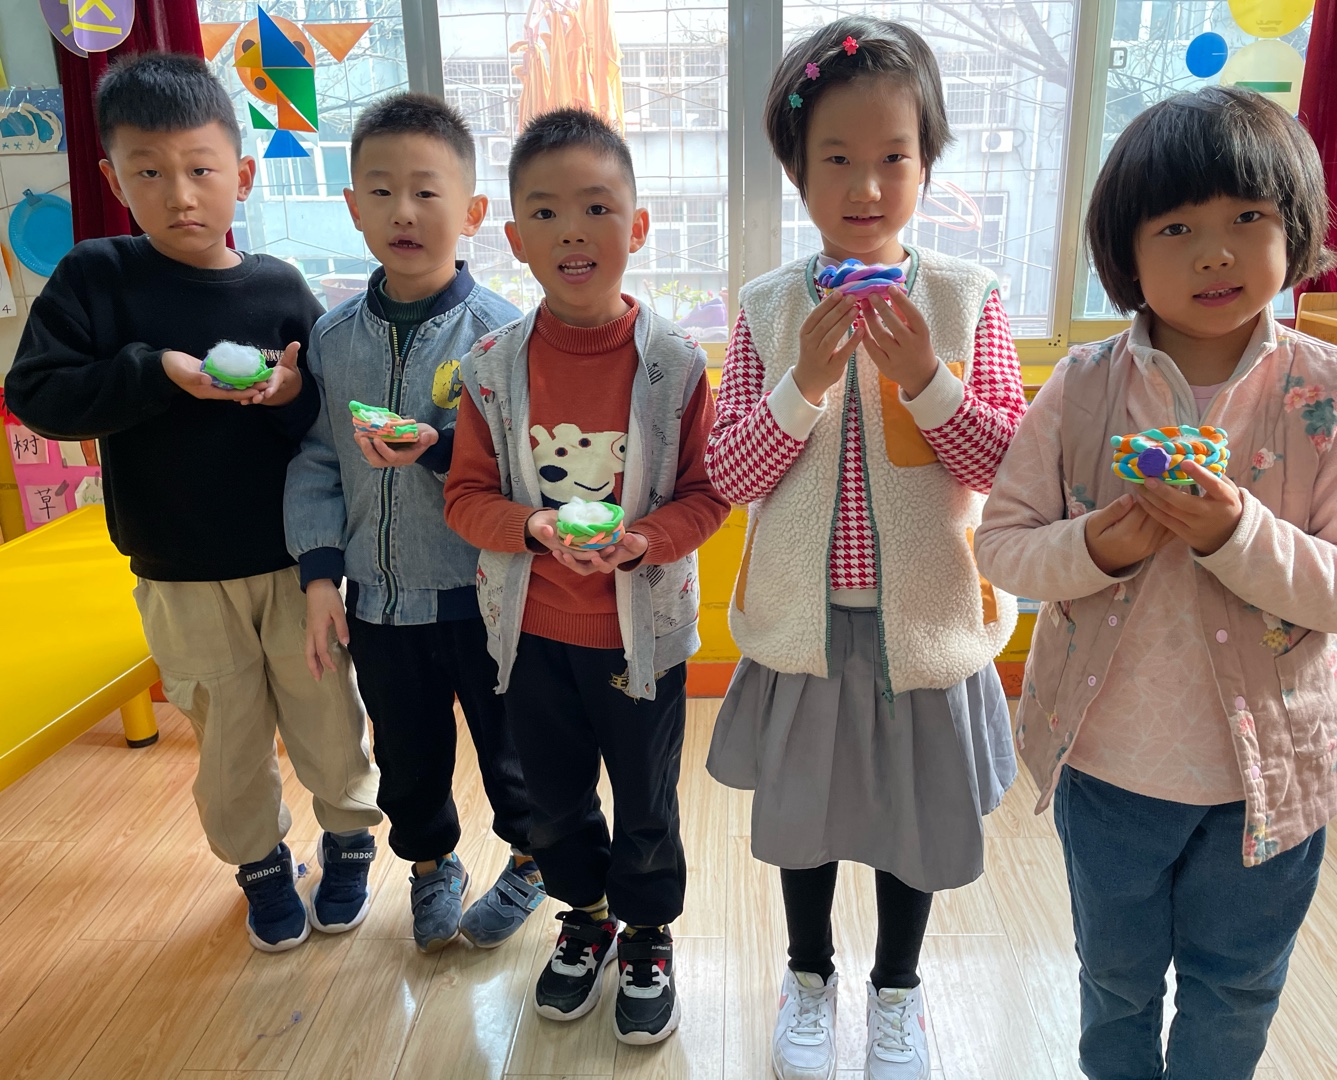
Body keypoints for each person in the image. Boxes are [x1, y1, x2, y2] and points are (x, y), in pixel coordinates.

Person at [974, 86, 1337, 1080]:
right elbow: (1002, 548)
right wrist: (1098, 547)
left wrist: (1237, 535)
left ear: (1294, 232)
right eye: (1177, 227)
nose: (1216, 253)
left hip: (1278, 775)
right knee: (1115, 982)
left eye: (1248, 217)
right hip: (1109, 768)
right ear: (1127, 254)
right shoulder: (1084, 387)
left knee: (1237, 988)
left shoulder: (1325, 388)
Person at [702, 17, 1028, 1080]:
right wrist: (801, 379)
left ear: (927, 163)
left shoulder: (966, 299)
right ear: (797, 170)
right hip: (804, 630)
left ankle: (898, 990)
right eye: (836, 157)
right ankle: (807, 977)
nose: (868, 184)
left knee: (913, 824)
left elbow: (1007, 465)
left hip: (925, 628)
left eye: (895, 155)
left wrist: (927, 378)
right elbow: (733, 476)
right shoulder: (765, 308)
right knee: (803, 822)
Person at [3, 52, 382, 952]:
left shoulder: (277, 287)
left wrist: (290, 395)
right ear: (112, 180)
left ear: (241, 176)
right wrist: (155, 372)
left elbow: (324, 425)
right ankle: (259, 865)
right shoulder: (97, 277)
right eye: (149, 173)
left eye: (201, 170)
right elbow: (37, 393)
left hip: (292, 564)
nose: (180, 195)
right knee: (227, 734)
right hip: (178, 570)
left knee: (330, 717)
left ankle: (348, 839)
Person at [444, 107, 729, 1046]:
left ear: (636, 227)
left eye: (597, 207)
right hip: (529, 635)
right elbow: (464, 498)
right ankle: (587, 918)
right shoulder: (491, 369)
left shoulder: (676, 366)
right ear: (514, 237)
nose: (573, 231)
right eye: (546, 212)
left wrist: (642, 541)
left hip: (640, 641)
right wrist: (531, 527)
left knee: (646, 801)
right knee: (553, 798)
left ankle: (646, 933)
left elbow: (708, 497)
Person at [284, 92, 547, 955]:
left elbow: (527, 475)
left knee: (513, 749)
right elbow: (318, 459)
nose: (403, 211)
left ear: (471, 211)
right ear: (353, 206)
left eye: (427, 191)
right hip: (380, 602)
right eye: (381, 191)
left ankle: (534, 859)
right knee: (406, 755)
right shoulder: (333, 338)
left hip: (484, 596)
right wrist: (320, 573)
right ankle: (432, 867)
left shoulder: (504, 337)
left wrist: (437, 449)